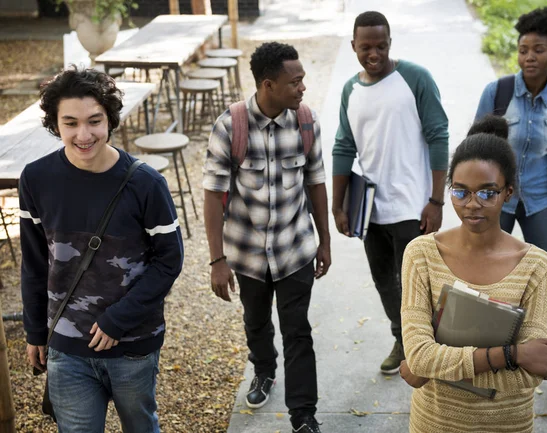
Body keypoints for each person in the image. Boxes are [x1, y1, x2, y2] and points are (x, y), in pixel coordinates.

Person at [20, 67, 184, 432]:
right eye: (70, 123)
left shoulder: (146, 183)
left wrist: (117, 320)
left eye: (94, 121)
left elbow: (170, 260)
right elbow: (33, 264)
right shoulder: (35, 179)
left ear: (110, 119)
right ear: (54, 124)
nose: (83, 134)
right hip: (66, 344)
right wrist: (34, 330)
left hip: (133, 343)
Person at [203, 42, 330, 433]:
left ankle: (303, 415)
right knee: (256, 322)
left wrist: (325, 242)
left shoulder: (306, 122)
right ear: (268, 84)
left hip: (295, 251)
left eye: (304, 79)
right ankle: (263, 370)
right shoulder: (231, 126)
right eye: (296, 82)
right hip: (248, 254)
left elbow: (316, 184)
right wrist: (217, 260)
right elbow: (212, 195)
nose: (303, 88)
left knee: (298, 331)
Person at [399, 115, 547, 433]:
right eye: (460, 192)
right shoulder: (422, 255)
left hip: (507, 424)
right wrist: (513, 354)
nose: (472, 205)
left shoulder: (536, 266)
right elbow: (419, 357)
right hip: (435, 423)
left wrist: (437, 366)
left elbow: (531, 374)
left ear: (508, 192)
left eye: (488, 193)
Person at [474, 7, 547, 405]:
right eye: (523, 49)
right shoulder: (498, 92)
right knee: (491, 282)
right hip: (499, 202)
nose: (528, 57)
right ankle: (488, 366)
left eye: (537, 50)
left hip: (541, 198)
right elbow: (479, 149)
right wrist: (477, 200)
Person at [331, 10, 449, 374]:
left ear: (390, 43)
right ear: (353, 45)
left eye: (381, 45)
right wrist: (338, 207)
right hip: (371, 210)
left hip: (412, 207)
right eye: (366, 47)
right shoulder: (351, 89)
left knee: (417, 287)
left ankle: (427, 349)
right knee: (384, 282)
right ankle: (403, 339)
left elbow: (438, 136)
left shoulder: (415, 78)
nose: (374, 54)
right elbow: (343, 147)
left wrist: (436, 200)